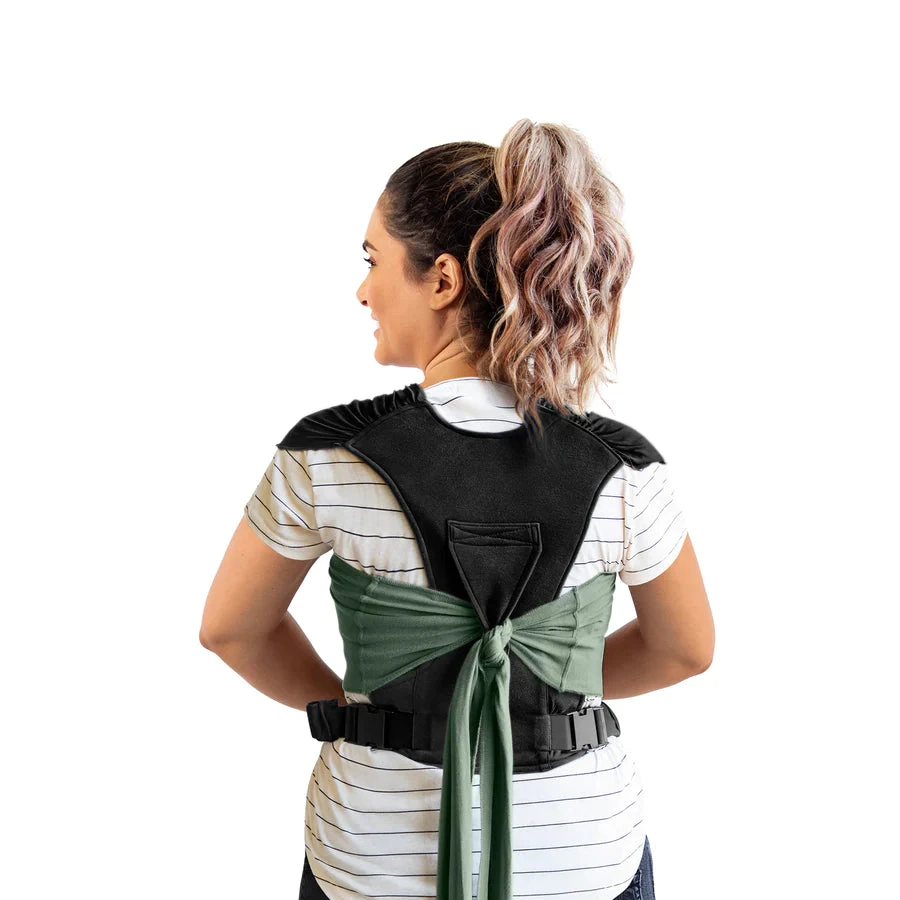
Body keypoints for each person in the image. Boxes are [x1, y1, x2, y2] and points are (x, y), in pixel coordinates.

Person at [201, 119, 714, 900]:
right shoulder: (623, 465)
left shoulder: (326, 454)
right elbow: (686, 649)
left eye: (373, 261)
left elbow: (231, 630)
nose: (362, 290)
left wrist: (358, 707)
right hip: (584, 856)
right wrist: (543, 684)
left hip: (372, 860)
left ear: (440, 279)